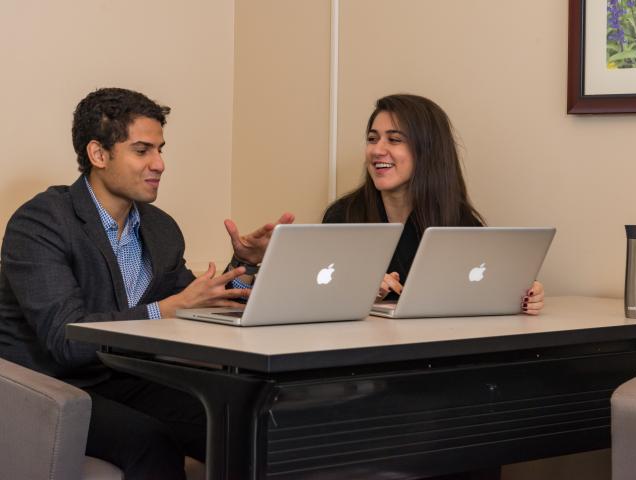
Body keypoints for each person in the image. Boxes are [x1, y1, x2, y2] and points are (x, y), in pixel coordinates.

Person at [0, 87, 293, 480]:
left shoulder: (160, 229)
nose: (160, 163)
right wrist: (165, 310)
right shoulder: (41, 222)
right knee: (152, 441)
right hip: (51, 385)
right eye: (142, 150)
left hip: (122, 377)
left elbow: (195, 299)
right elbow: (65, 340)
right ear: (98, 154)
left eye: (161, 149)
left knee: (241, 425)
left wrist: (245, 266)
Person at [323, 93, 544, 314]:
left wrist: (523, 294)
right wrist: (360, 293)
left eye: (394, 139)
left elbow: (480, 290)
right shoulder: (343, 217)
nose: (377, 150)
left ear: (427, 151)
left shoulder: (459, 222)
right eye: (372, 139)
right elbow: (320, 297)